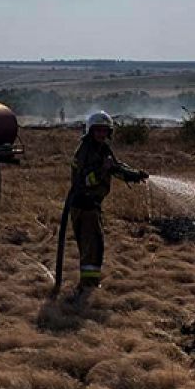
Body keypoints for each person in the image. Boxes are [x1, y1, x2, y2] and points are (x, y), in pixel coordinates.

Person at [67, 110, 148, 303]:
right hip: (83, 206)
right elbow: (84, 181)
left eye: (105, 131)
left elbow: (116, 168)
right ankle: (87, 288)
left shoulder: (102, 149)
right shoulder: (84, 152)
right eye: (98, 131)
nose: (102, 135)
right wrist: (102, 170)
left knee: (96, 245)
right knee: (92, 246)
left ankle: (89, 286)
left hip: (92, 206)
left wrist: (135, 175)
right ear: (90, 131)